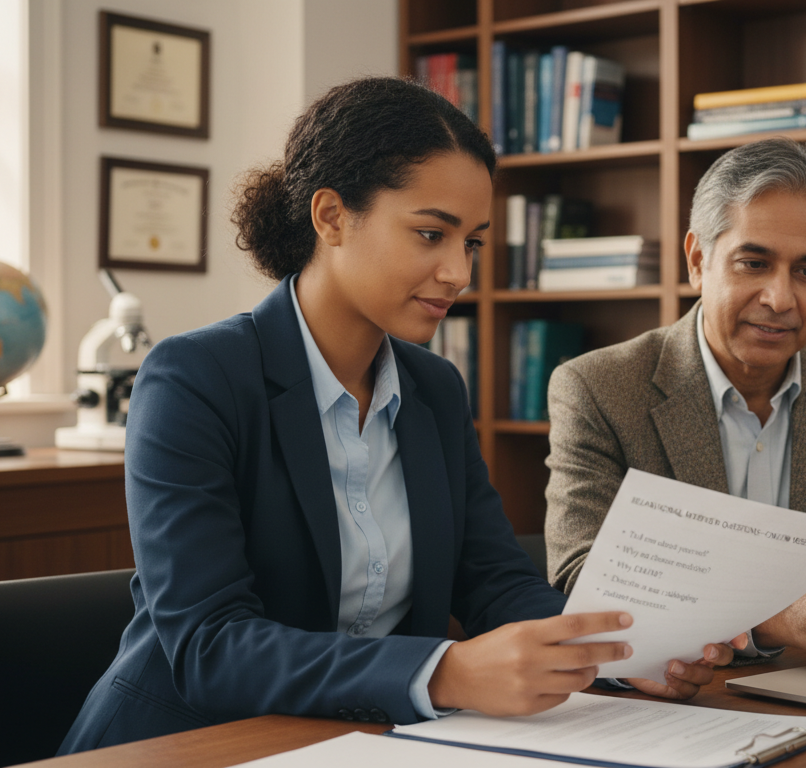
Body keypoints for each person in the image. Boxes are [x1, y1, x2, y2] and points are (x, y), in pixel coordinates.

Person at [59, 77, 738, 754]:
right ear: (331, 218)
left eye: (471, 241)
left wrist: (625, 652)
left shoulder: (434, 388)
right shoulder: (195, 378)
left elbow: (493, 580)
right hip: (186, 743)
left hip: (362, 739)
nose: (457, 273)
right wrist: (446, 671)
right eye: (429, 233)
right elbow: (210, 645)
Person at [544, 137, 806, 662]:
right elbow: (583, 576)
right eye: (754, 263)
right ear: (698, 261)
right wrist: (771, 622)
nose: (781, 299)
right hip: (680, 695)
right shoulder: (599, 388)